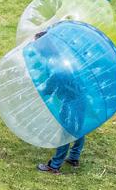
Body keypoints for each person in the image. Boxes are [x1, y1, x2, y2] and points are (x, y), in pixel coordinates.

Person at [34, 30, 87, 175]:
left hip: (70, 102)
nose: (35, 48)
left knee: (65, 134)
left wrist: (38, 89)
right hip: (81, 97)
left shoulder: (54, 65)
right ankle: (74, 158)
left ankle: (54, 166)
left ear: (43, 47)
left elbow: (49, 87)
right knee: (78, 129)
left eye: (37, 46)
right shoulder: (63, 56)